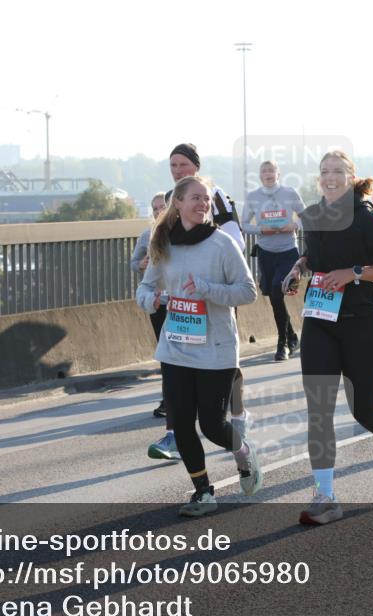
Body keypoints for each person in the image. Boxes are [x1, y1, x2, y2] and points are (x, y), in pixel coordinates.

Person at [281, 151, 373, 525]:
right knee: (319, 408)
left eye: (338, 171)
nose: (330, 177)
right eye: (324, 172)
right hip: (320, 320)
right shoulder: (313, 215)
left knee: (362, 410)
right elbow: (314, 255)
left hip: (362, 321)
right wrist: (297, 268)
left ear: (351, 176)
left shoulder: (366, 217)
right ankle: (325, 496)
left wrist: (352, 273)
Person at [136, 176, 260, 516]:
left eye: (206, 199)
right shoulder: (162, 243)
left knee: (212, 425)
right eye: (195, 198)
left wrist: (207, 289)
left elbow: (248, 291)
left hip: (216, 348)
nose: (203, 204)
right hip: (175, 347)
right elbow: (143, 290)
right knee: (183, 422)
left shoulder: (222, 244)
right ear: (177, 202)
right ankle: (204, 491)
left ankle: (243, 453)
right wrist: (155, 300)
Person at [165, 143, 252, 441]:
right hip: (180, 291)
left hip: (217, 285)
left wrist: (211, 265)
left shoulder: (214, 196)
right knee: (178, 351)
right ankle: (175, 424)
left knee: (225, 355)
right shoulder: (171, 198)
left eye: (183, 165)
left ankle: (237, 412)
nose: (178, 170)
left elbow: (235, 239)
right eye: (173, 166)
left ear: (196, 167)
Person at [130, 194, 183, 459]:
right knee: (166, 355)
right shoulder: (149, 237)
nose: (159, 212)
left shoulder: (195, 236)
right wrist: (141, 266)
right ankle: (170, 411)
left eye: (163, 207)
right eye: (155, 209)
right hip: (160, 304)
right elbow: (137, 267)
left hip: (188, 308)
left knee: (182, 356)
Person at [242, 160, 304, 361]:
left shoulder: (290, 192)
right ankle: (292, 335)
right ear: (260, 176)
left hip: (288, 252)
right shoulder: (253, 197)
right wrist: (261, 229)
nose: (268, 174)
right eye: (264, 171)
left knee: (278, 291)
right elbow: (243, 225)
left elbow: (306, 217)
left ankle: (282, 344)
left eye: (271, 170)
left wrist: (294, 225)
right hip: (266, 253)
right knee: (272, 294)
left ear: (279, 174)